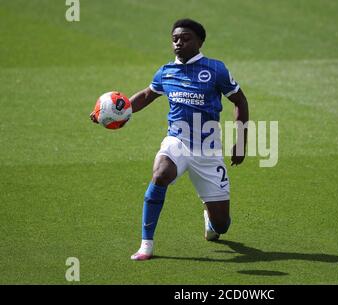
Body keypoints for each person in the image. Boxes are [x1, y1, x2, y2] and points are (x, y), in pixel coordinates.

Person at [90, 18, 249, 261]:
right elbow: (146, 95)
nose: (179, 43)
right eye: (175, 39)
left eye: (185, 38)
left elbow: (240, 101)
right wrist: (111, 111)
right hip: (178, 142)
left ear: (199, 41)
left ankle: (210, 220)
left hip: (208, 151)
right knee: (160, 174)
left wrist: (241, 142)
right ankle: (146, 244)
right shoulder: (166, 72)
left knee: (222, 225)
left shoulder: (216, 70)